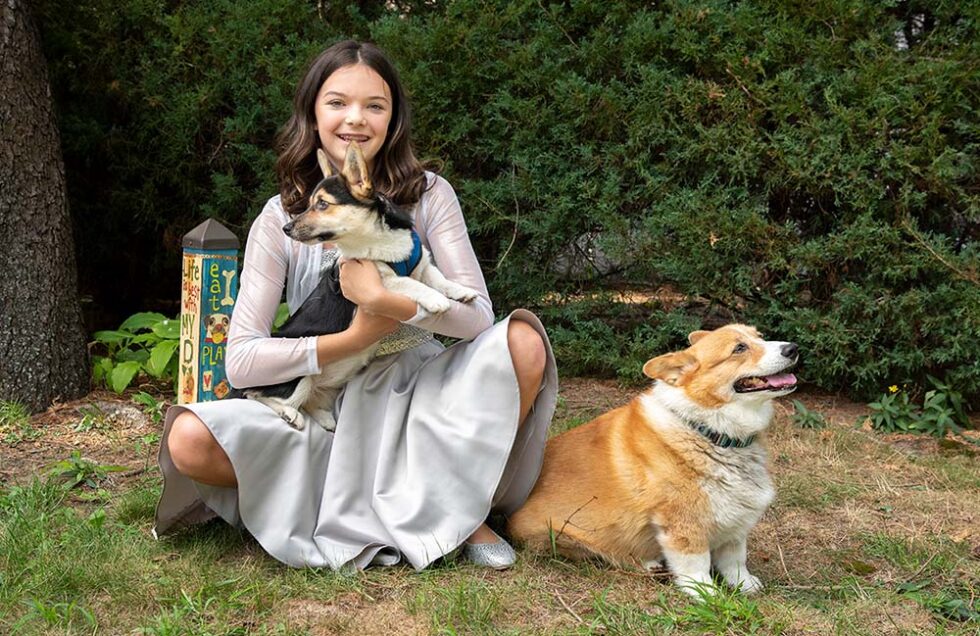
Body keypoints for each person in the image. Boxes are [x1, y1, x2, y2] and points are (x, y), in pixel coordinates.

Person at [152, 40, 557, 571]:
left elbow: (478, 317)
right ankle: (416, 503)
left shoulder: (430, 195)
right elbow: (242, 360)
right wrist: (354, 338)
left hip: (418, 398)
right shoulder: (283, 219)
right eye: (337, 102)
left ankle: (439, 505)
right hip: (325, 403)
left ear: (394, 117)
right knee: (188, 438)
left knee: (524, 342)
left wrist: (390, 303)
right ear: (312, 111)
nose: (355, 120)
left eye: (375, 105)